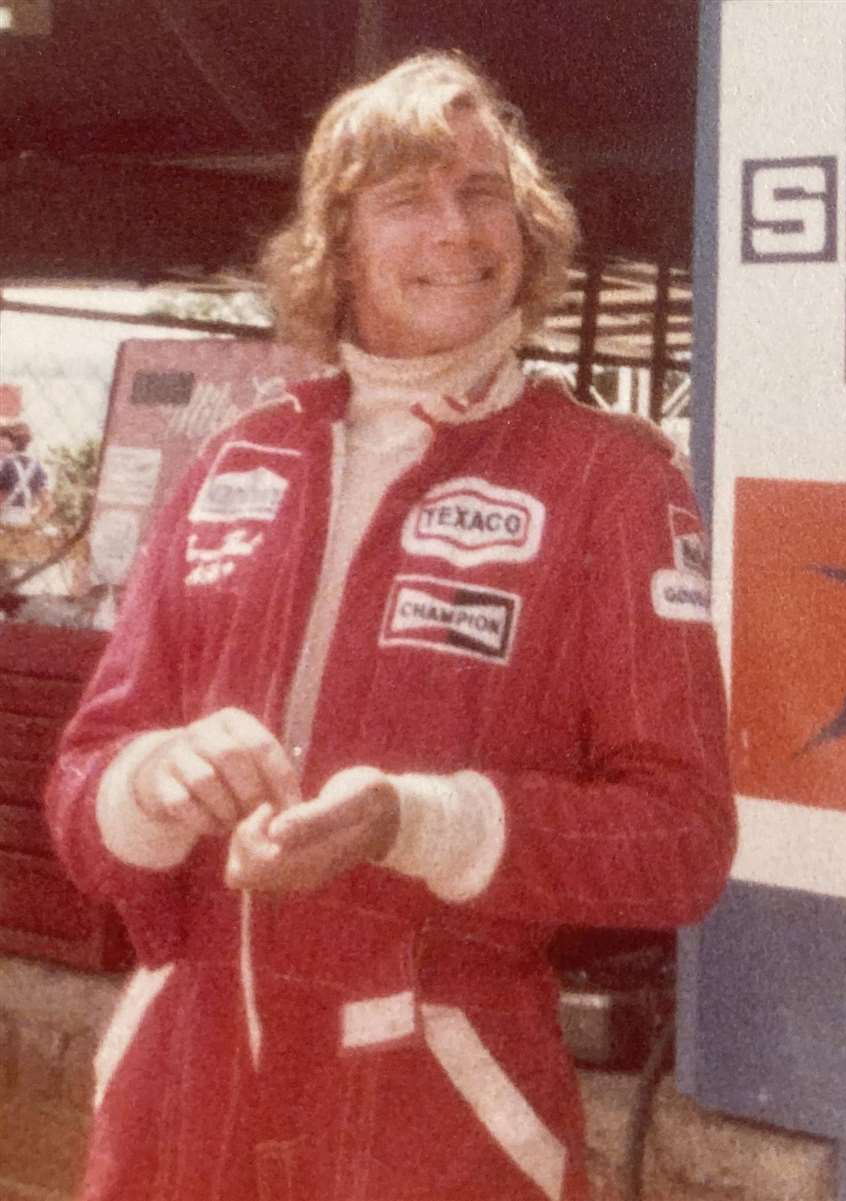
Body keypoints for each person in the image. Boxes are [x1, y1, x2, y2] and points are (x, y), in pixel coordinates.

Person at [46, 51, 736, 1201]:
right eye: (409, 199)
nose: (457, 230)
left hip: (435, 1103)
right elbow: (82, 803)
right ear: (339, 243)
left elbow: (681, 842)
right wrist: (157, 779)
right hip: (183, 1095)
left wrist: (411, 819)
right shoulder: (235, 457)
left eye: (483, 194)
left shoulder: (609, 482)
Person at [0, 421, 50, 529]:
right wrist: (35, 524)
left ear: (12, 440)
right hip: (25, 521)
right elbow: (48, 504)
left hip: (4, 520)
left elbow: (2, 494)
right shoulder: (38, 467)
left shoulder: (4, 463)